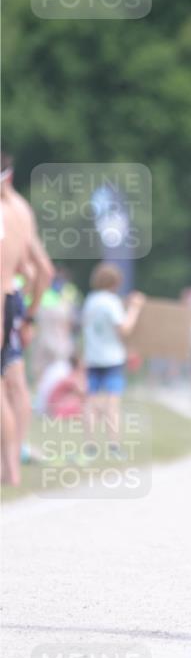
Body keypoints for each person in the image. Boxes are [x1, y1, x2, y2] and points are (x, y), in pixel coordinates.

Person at [1, 152, 54, 485]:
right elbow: (42, 270)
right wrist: (30, 315)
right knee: (16, 384)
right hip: (14, 300)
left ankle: (7, 465)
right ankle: (13, 469)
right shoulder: (21, 209)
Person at [81, 262, 145, 456]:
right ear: (116, 282)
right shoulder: (111, 302)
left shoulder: (90, 301)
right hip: (112, 359)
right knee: (112, 403)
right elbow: (124, 328)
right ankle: (114, 445)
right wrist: (135, 308)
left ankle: (90, 445)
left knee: (91, 402)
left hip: (93, 357)